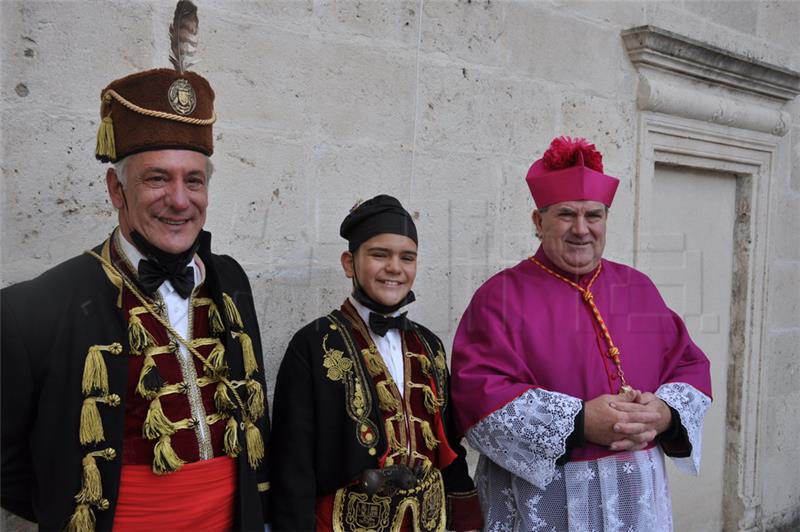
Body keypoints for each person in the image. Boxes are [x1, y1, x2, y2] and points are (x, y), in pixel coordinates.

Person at [0, 2, 269, 530]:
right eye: (156, 179)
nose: (179, 199)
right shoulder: (32, 307)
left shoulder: (230, 280)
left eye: (194, 180)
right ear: (115, 189)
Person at [450, 136, 712, 531]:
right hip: (547, 499)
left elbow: (688, 365)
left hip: (634, 495)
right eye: (566, 215)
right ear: (538, 222)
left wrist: (665, 414)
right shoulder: (499, 297)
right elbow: (477, 397)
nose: (581, 229)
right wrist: (580, 421)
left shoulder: (636, 287)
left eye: (594, 215)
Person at [269, 195, 483, 532]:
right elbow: (292, 464)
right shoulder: (313, 343)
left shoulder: (429, 345)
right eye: (379, 255)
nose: (395, 268)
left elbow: (448, 443)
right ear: (349, 263)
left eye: (406, 257)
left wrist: (467, 517)